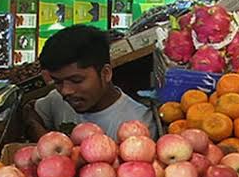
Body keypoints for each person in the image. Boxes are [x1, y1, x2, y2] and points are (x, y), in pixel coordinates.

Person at [26, 25, 157, 140]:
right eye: (58, 82)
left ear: (105, 73)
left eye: (76, 80)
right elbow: (29, 110)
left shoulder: (139, 124)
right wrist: (44, 140)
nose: (66, 90)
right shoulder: (56, 100)